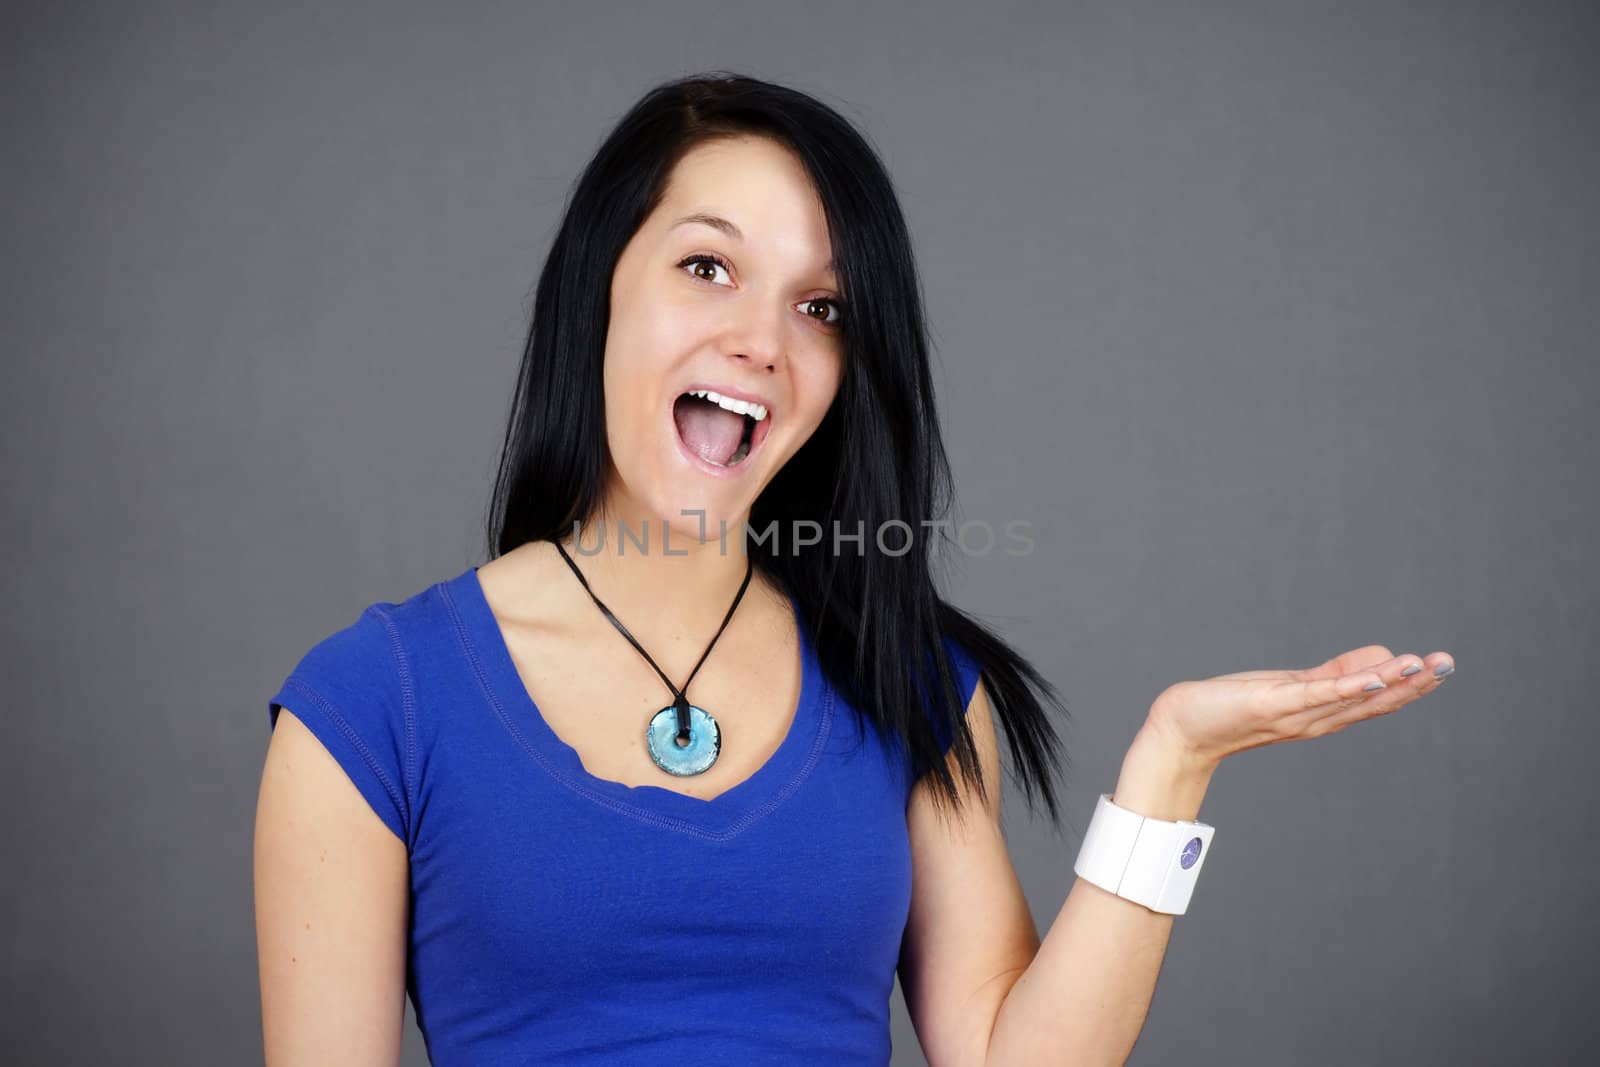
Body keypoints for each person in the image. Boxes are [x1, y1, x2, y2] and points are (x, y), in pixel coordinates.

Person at [254, 72, 1456, 1066]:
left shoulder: (910, 683)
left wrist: (1171, 770)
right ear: (601, 281)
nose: (760, 342)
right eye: (708, 267)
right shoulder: (375, 703)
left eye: (821, 307)